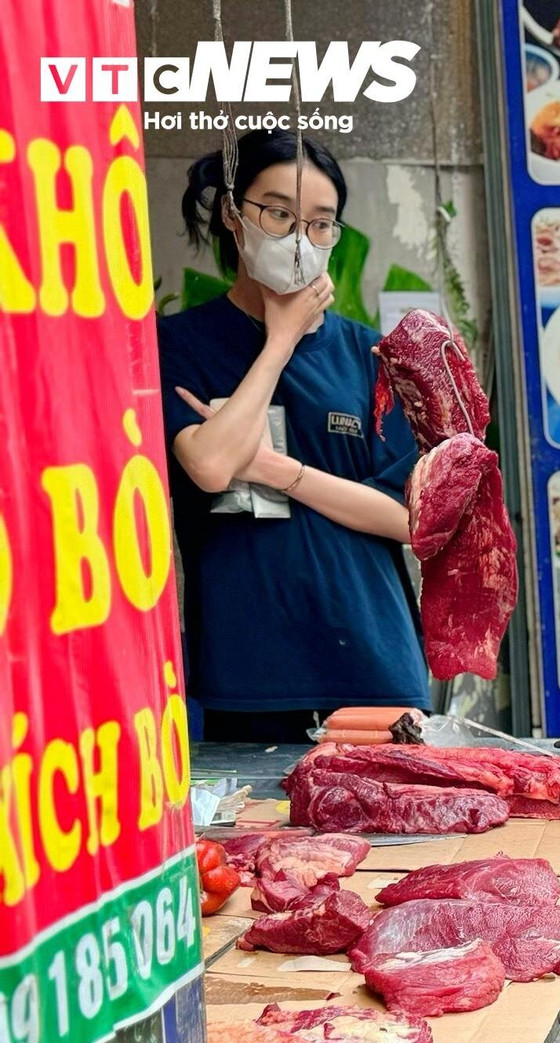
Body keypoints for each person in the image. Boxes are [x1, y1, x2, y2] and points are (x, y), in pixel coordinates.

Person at [161, 131, 428, 742]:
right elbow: (209, 466)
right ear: (234, 214)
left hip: (373, 661)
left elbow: (411, 518)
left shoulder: (366, 353)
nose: (300, 239)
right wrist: (279, 342)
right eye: (279, 213)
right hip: (251, 669)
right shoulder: (179, 345)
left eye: (320, 223)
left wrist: (276, 470)